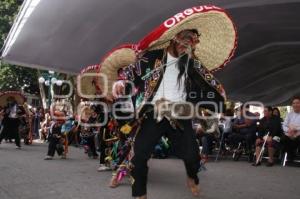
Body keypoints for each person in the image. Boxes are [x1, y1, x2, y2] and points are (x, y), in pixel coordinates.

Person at [113, 29, 225, 198]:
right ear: (174, 39)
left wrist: (216, 102)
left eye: (190, 44)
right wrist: (120, 83)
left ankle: (192, 177)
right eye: (183, 41)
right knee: (138, 157)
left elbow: (209, 83)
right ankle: (139, 194)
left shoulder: (191, 63)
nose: (185, 46)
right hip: (153, 112)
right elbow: (129, 72)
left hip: (179, 113)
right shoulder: (152, 57)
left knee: (192, 156)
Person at [281, 96, 300, 161]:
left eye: (297, 103)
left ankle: (293, 154)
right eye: (294, 103)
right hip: (289, 134)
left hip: (298, 134)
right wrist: (289, 130)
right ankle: (290, 155)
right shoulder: (289, 114)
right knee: (283, 139)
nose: (295, 105)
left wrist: (295, 129)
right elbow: (284, 125)